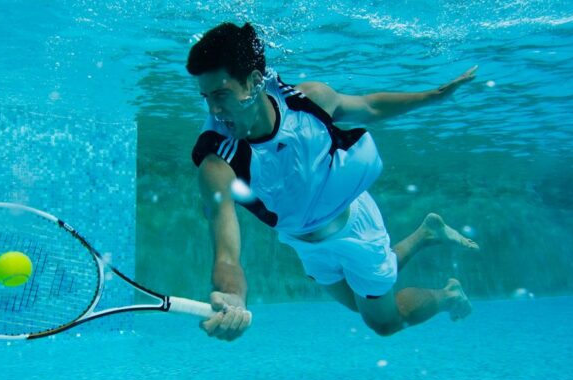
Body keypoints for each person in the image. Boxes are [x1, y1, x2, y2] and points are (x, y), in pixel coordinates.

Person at [186, 22, 480, 342]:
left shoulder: (308, 102)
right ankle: (427, 233)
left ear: (255, 82)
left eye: (221, 94)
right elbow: (226, 255)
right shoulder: (216, 164)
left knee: (383, 322)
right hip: (301, 240)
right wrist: (232, 297)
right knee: (361, 304)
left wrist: (433, 96)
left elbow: (370, 106)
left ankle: (448, 296)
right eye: (206, 97)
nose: (214, 110)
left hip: (354, 227)